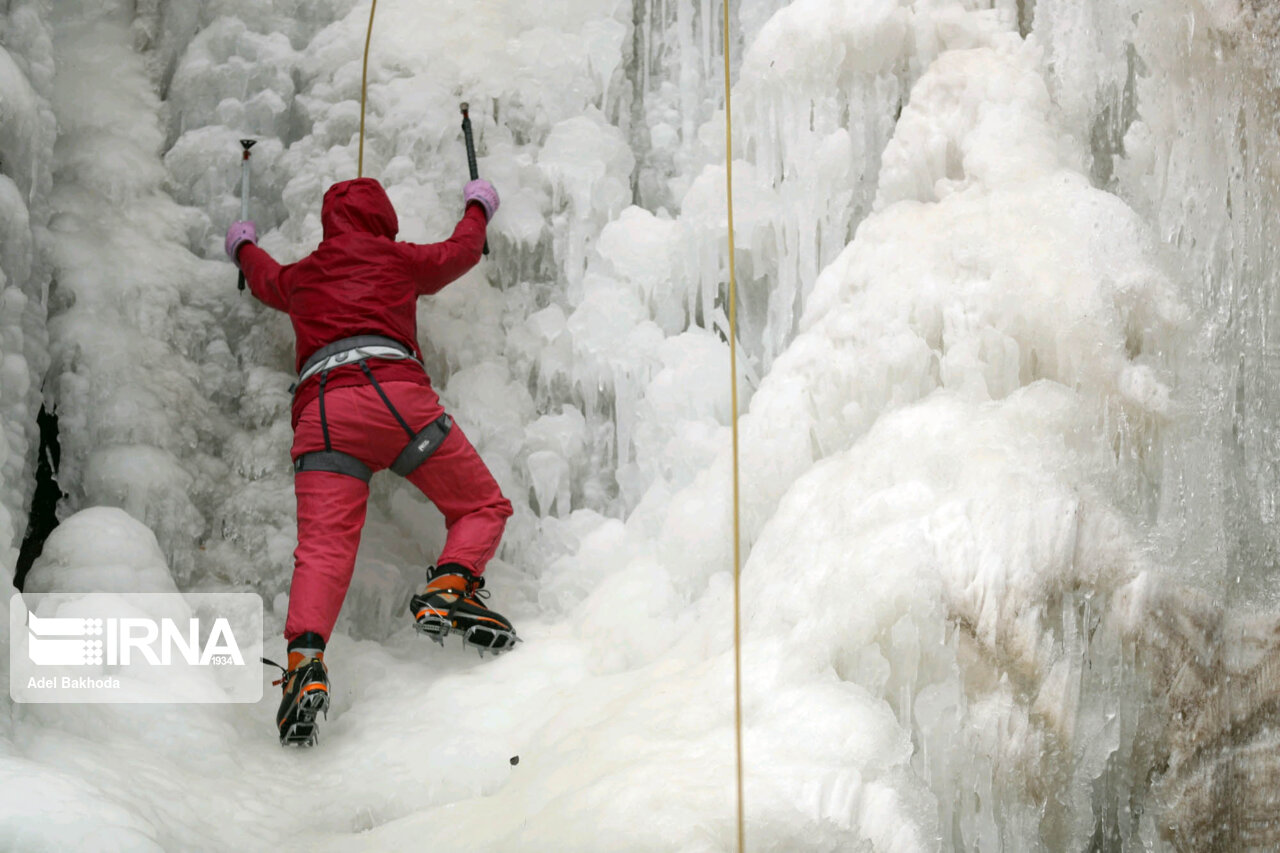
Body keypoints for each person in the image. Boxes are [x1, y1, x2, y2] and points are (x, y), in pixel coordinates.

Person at [226, 176, 516, 747]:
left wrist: (242, 245)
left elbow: (264, 280)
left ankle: (305, 667)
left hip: (325, 414)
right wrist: (478, 207)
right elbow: (458, 253)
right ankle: (450, 586)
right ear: (383, 217)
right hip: (394, 399)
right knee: (482, 504)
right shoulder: (397, 259)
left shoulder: (302, 274)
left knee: (325, 549)